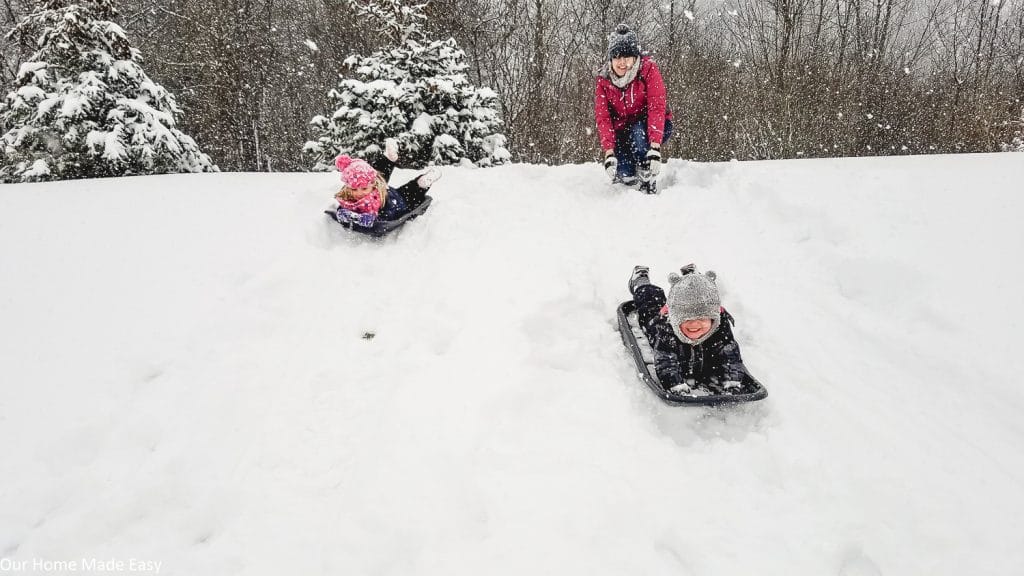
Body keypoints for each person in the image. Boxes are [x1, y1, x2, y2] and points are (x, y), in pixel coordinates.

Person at [627, 264, 748, 394]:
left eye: (701, 319)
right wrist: (675, 385)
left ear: (713, 319)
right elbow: (666, 362)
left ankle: (692, 279)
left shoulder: (719, 328)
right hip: (660, 322)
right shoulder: (667, 329)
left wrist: (733, 382)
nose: (694, 325)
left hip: (692, 305)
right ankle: (641, 282)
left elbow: (730, 356)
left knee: (699, 297)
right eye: (687, 320)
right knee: (650, 302)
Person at [595, 24, 673, 194]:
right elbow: (603, 118)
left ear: (635, 57)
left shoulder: (648, 70)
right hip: (623, 130)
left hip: (652, 126)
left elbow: (656, 107)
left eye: (627, 57)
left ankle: (647, 173)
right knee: (624, 172)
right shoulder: (603, 81)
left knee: (638, 133)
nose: (622, 63)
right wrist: (609, 153)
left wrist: (654, 148)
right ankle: (629, 176)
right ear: (611, 60)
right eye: (617, 57)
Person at [333, 139, 441, 228]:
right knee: (376, 174)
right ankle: (388, 159)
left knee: (408, 194)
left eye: (363, 189)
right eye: (354, 189)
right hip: (383, 188)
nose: (359, 193)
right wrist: (342, 213)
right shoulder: (350, 192)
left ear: (373, 185)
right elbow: (343, 204)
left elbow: (389, 217)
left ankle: (421, 183)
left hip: (396, 202)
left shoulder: (380, 200)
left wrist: (375, 219)